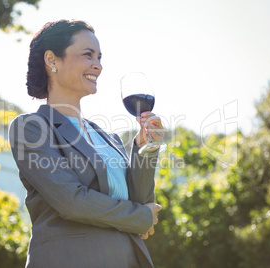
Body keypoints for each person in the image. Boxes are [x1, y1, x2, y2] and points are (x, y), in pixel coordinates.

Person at [9, 19, 165, 268]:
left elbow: (139, 198)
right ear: (52, 60)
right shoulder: (32, 128)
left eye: (100, 57)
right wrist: (140, 217)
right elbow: (71, 201)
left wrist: (146, 148)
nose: (98, 65)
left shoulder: (106, 137)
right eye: (88, 55)